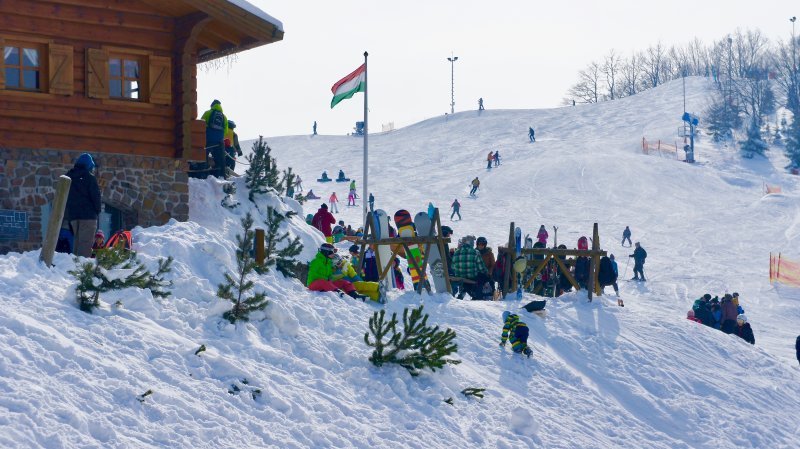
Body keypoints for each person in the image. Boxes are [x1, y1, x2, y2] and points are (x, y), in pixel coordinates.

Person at [65, 153, 102, 258]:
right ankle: (83, 267)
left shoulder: (68, 177)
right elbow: (96, 197)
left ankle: (75, 265)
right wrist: (97, 211)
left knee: (76, 244)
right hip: (88, 216)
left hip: (73, 216)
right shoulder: (90, 178)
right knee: (85, 245)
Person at [451, 235, 491, 299]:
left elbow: (453, 266)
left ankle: (463, 291)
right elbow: (481, 268)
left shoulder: (456, 252)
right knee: (483, 277)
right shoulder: (475, 252)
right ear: (471, 243)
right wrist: (487, 274)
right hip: (472, 277)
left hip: (459, 276)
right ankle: (479, 295)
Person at [200, 99, 228, 177]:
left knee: (203, 154)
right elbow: (225, 131)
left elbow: (200, 125)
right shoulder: (224, 117)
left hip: (208, 139)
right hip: (219, 141)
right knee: (219, 158)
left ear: (212, 105)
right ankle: (219, 174)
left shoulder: (207, 113)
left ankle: (203, 173)